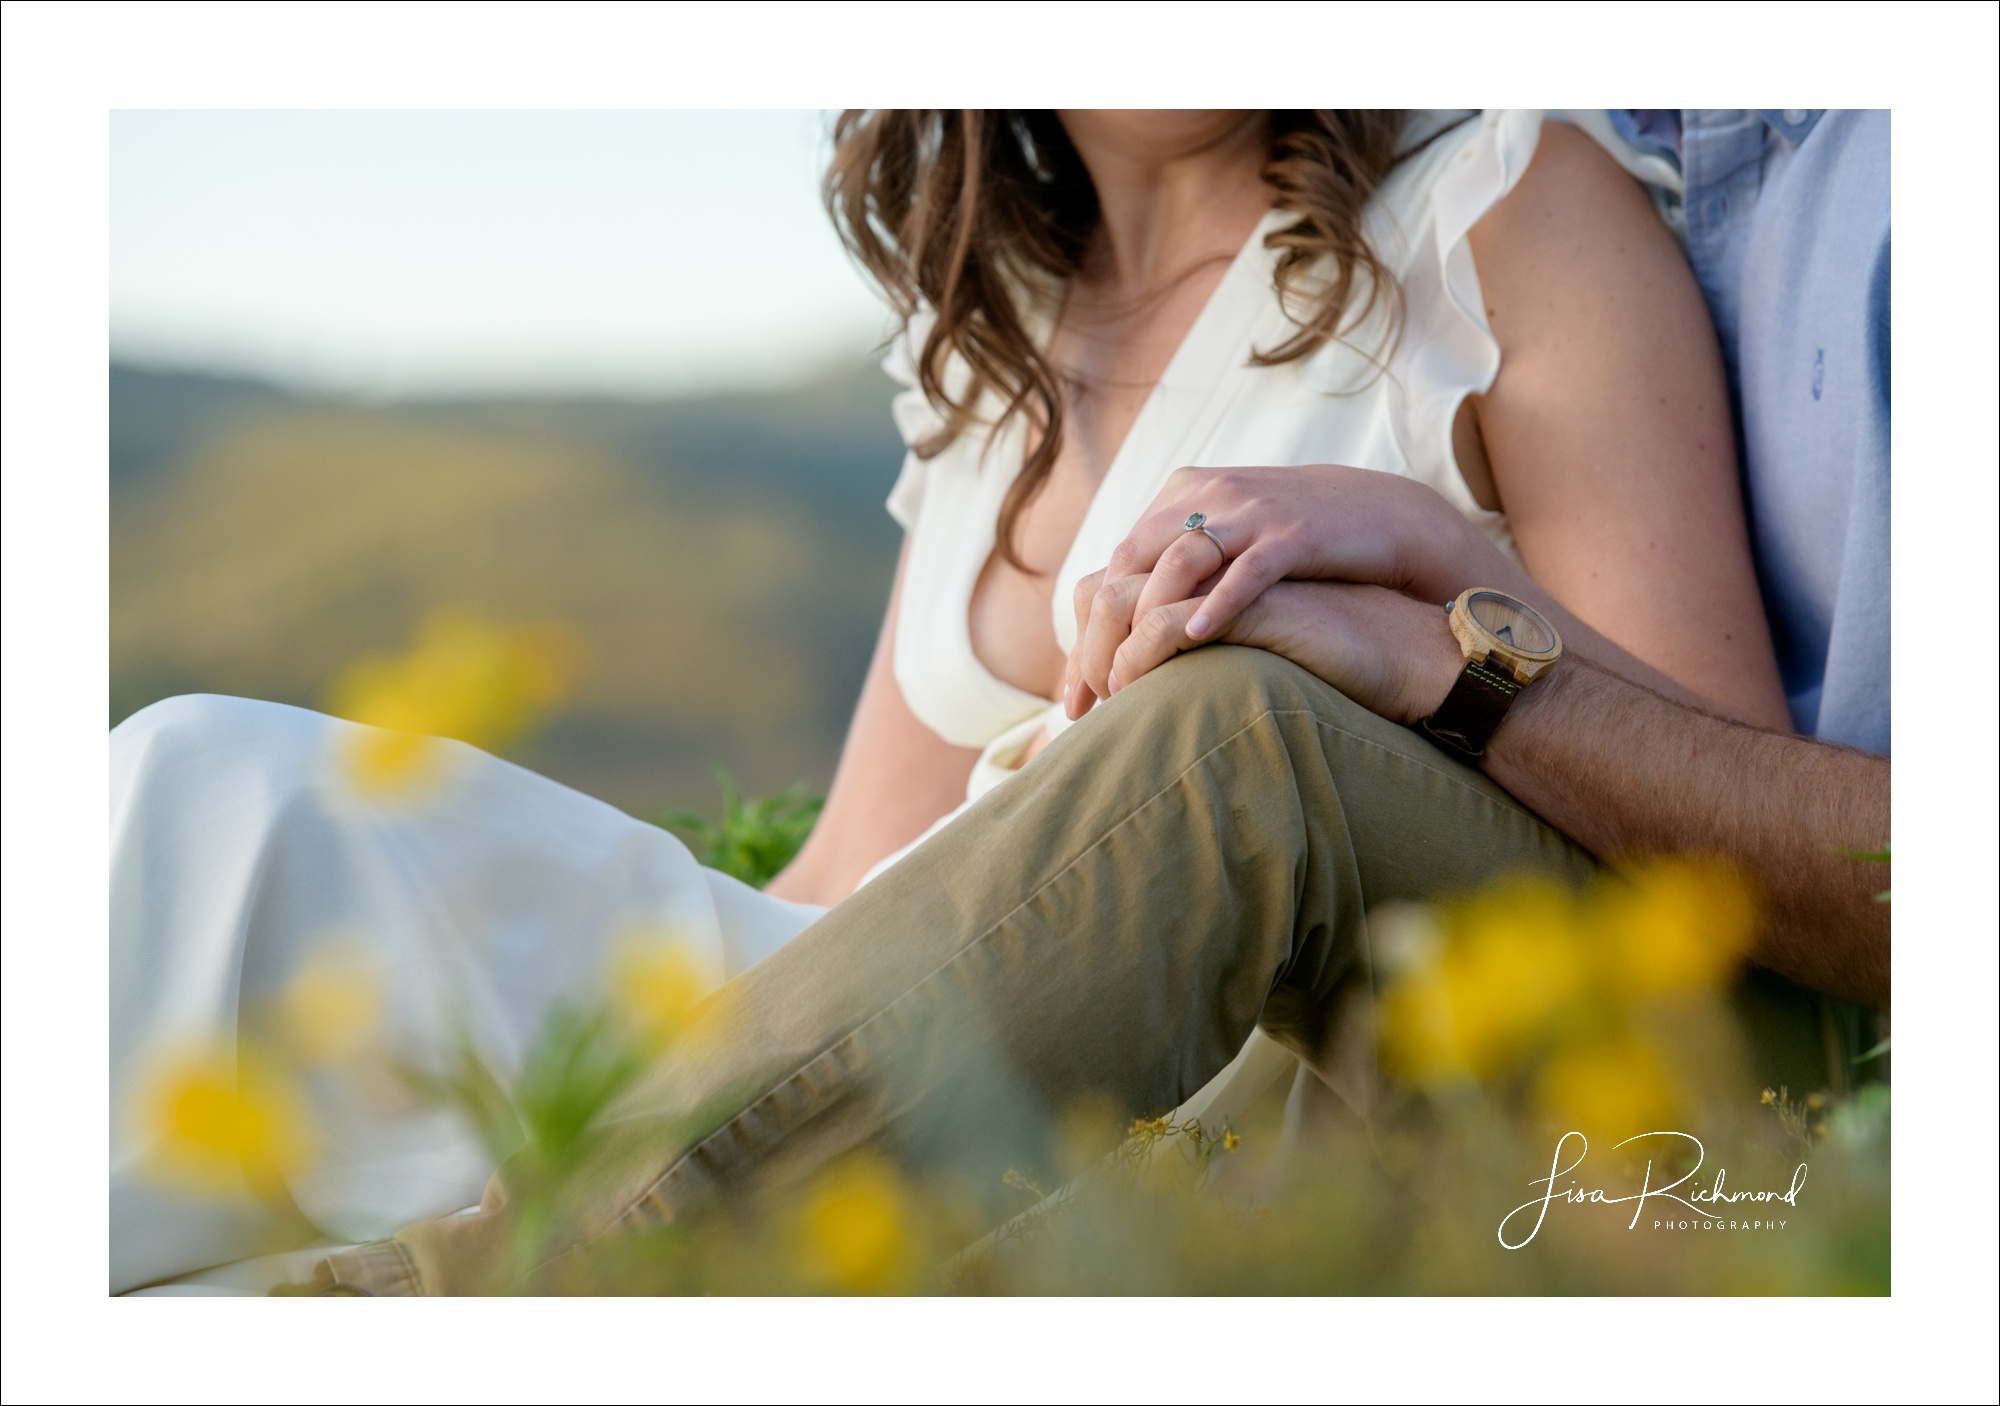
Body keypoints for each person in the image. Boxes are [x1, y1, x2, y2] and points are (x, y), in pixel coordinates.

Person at [113, 108, 1797, 1294]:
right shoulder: (992, 326)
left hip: (1230, 1020)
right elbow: (853, 872)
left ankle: (432, 1300)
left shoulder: (1510, 201)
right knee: (210, 794)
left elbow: (1723, 813)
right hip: (921, 977)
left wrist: (1423, 608)